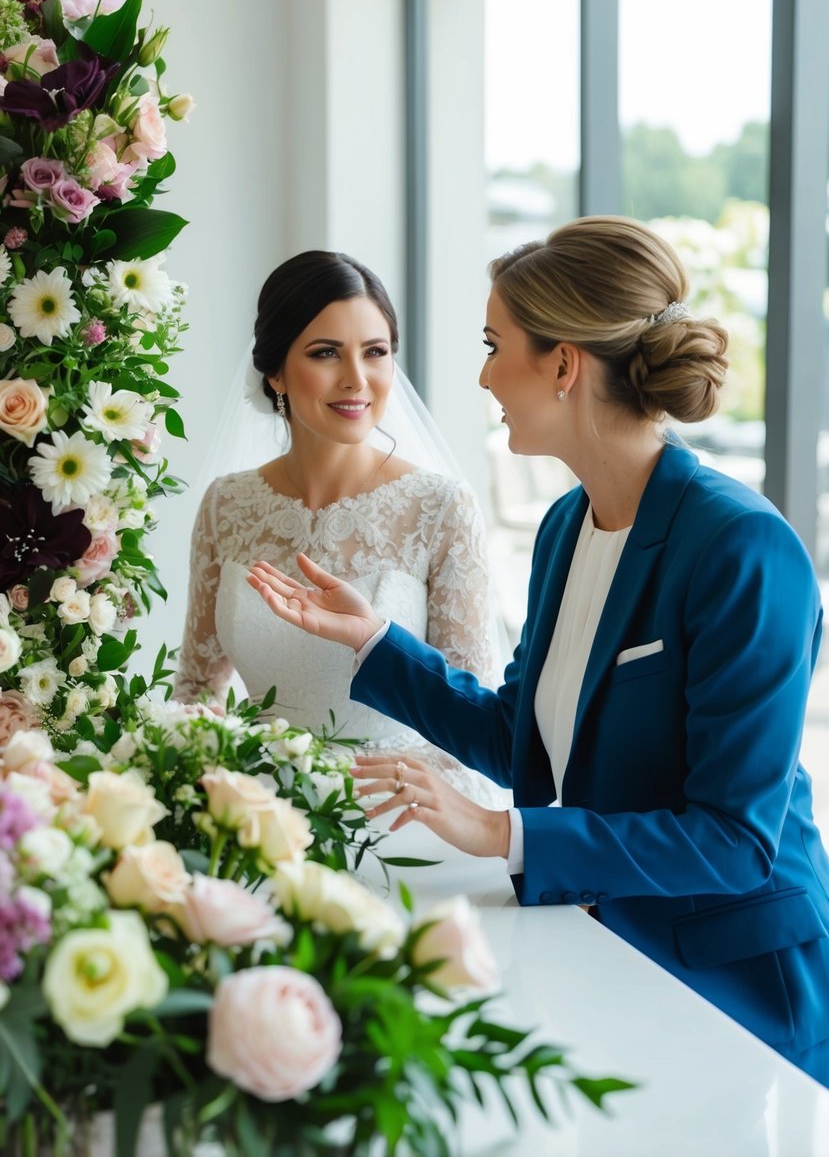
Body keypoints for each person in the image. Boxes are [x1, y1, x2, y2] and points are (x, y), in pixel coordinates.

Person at [246, 216, 829, 1087]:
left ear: (562, 365)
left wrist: (497, 830)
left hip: (736, 988)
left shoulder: (743, 549)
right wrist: (372, 639)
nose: (482, 375)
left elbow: (733, 841)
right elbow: (522, 734)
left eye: (495, 345)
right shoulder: (565, 525)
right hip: (607, 951)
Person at [174, 249, 508, 807]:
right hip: (256, 812)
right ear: (276, 369)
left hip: (398, 814)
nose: (357, 379)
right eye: (326, 353)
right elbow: (195, 693)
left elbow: (468, 723)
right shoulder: (224, 505)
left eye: (375, 353)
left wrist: (351, 804)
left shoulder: (442, 507)